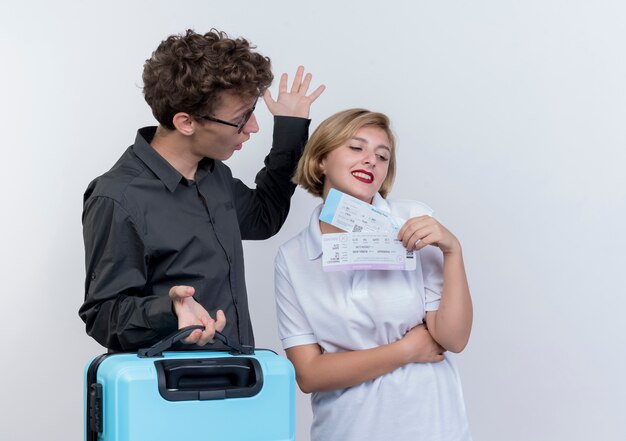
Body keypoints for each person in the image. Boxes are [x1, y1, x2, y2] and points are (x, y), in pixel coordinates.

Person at [79, 29, 324, 352]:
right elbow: (103, 315)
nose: (253, 128)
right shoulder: (118, 197)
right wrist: (170, 311)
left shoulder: (214, 175)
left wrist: (290, 130)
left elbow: (264, 218)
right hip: (168, 393)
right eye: (241, 119)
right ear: (186, 123)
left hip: (235, 376)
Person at [274, 108, 473, 440]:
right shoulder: (293, 257)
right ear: (321, 160)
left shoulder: (415, 221)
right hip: (347, 429)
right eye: (356, 148)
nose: (371, 161)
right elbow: (309, 375)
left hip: (432, 425)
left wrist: (453, 250)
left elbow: (453, 339)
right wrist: (406, 350)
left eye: (382, 156)